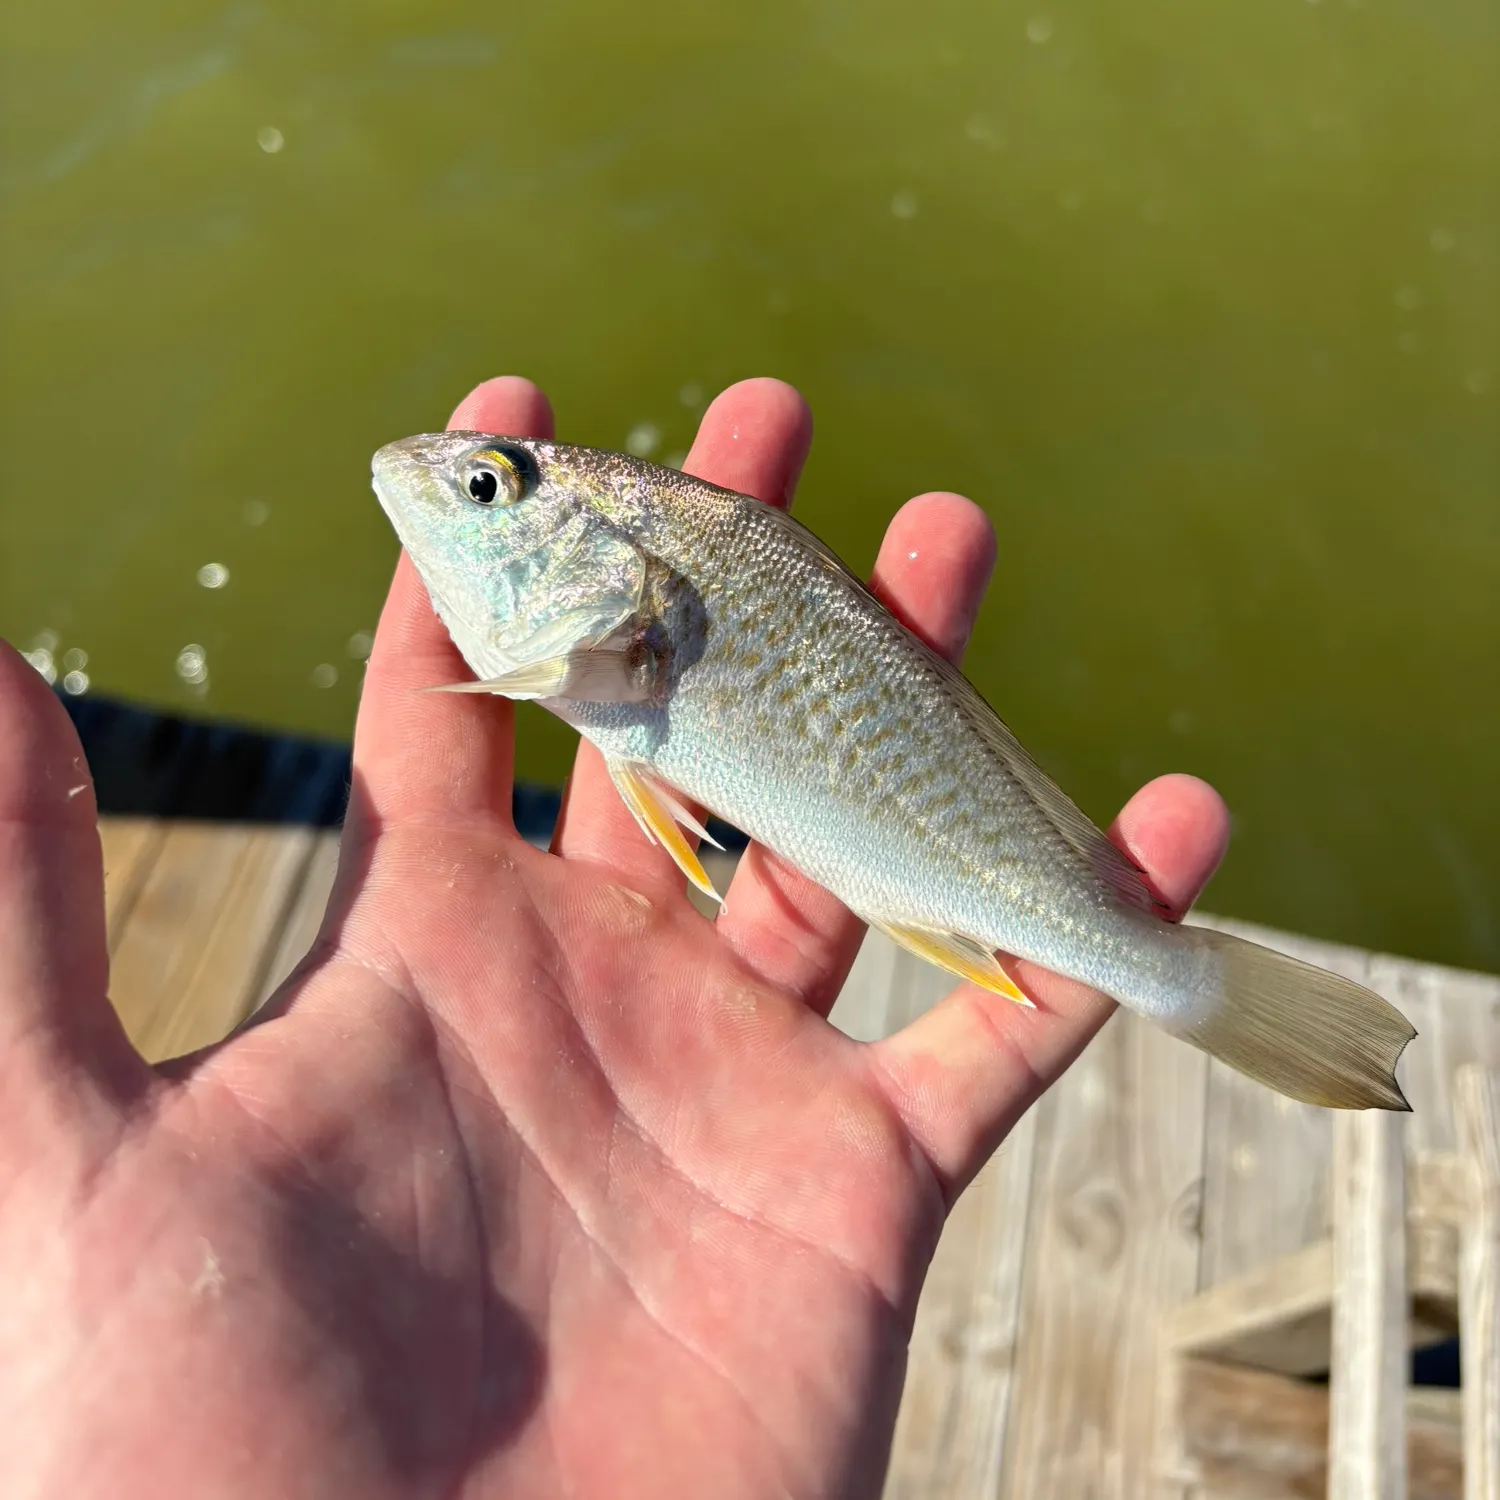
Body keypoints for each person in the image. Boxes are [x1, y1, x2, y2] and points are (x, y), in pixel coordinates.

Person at [0, 377, 1228, 1497]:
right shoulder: (611, 639)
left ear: (618, 572)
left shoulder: (638, 622)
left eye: (485, 489)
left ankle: (1161, 967)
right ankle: (1155, 963)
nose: (446, 485)